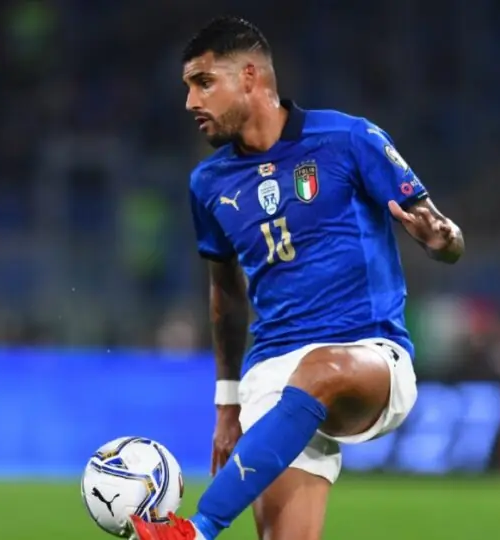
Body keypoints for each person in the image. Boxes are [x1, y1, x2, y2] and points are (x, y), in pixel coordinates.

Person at [130, 16, 464, 540]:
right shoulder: (208, 183)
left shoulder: (348, 138)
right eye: (188, 87)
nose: (191, 102)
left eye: (203, 82)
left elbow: (446, 236)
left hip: (367, 354)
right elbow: (225, 294)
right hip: (272, 370)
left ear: (249, 77)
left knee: (320, 368)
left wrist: (443, 240)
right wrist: (228, 402)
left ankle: (196, 529)